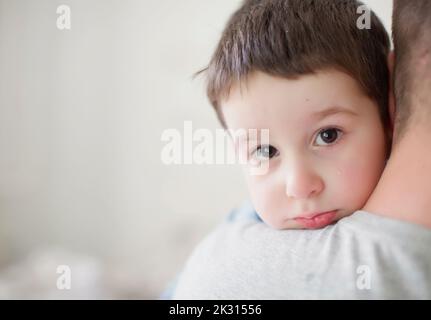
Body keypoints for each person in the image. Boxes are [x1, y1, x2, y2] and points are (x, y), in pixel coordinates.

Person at [170, 0, 431, 299]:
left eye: (328, 135)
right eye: (266, 152)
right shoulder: (231, 236)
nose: (300, 186)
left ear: (388, 110)